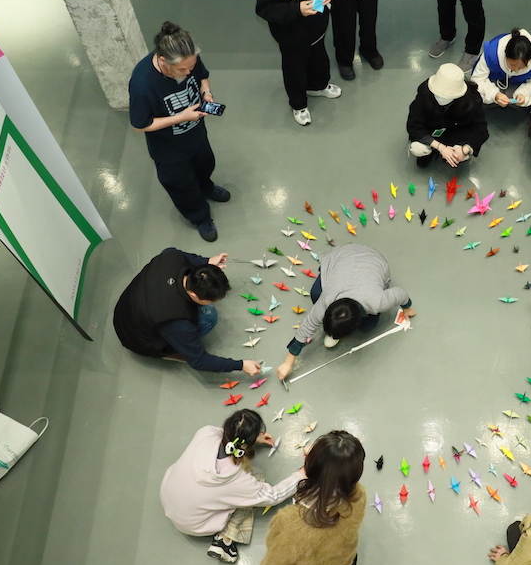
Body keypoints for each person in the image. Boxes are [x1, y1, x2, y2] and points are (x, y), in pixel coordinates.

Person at [129, 22, 229, 241]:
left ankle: (206, 187)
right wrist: (181, 117)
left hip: (196, 134)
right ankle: (200, 216)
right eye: (182, 70)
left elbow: (202, 76)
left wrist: (207, 93)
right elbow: (140, 124)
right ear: (163, 61)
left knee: (205, 165)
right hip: (169, 150)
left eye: (190, 66)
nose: (188, 72)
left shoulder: (188, 58)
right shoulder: (143, 85)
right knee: (182, 185)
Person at [160, 409, 302, 563]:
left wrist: (254, 438)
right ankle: (226, 539)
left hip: (168, 493)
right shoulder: (239, 480)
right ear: (247, 444)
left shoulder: (206, 432)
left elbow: (226, 437)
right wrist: (301, 475)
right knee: (257, 476)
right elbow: (273, 496)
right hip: (191, 524)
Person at [258, 431, 366, 565]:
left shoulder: (288, 523)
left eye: (312, 449)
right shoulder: (358, 496)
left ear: (310, 469)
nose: (307, 448)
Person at [113, 247, 261, 375]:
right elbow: (199, 361)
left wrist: (207, 261)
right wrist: (241, 365)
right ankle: (172, 351)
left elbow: (183, 256)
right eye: (211, 300)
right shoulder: (176, 321)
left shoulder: (171, 257)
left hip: (127, 308)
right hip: (136, 338)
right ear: (194, 295)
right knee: (209, 317)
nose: (214, 303)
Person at [278, 243, 413, 380]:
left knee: (368, 326)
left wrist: (407, 309)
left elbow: (400, 294)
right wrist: (287, 363)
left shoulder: (377, 301)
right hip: (343, 255)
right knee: (315, 294)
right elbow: (307, 326)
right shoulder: (327, 299)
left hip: (375, 261)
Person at [256, 0, 341, 126]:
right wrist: (296, 9)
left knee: (319, 59)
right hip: (291, 34)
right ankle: (299, 104)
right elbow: (264, 9)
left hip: (317, 23)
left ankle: (319, 86)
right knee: (295, 69)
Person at [406, 62, 489, 168]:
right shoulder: (424, 93)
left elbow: (481, 130)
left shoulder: (473, 100)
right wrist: (441, 148)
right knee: (418, 148)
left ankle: (454, 154)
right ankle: (429, 152)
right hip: (430, 131)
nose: (440, 98)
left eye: (446, 95)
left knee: (461, 155)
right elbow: (414, 125)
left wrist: (464, 149)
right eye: (436, 93)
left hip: (456, 132)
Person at [471, 28, 531, 108]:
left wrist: (524, 94)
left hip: (519, 84)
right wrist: (494, 94)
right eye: (512, 65)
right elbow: (478, 79)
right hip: (493, 80)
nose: (515, 70)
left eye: (521, 67)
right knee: (479, 99)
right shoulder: (491, 53)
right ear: (505, 55)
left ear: (530, 60)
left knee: (523, 104)